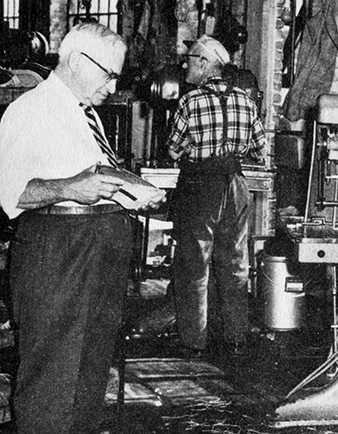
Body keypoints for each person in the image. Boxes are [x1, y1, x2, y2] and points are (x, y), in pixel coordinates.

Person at [0, 23, 162, 434]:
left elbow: (91, 174)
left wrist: (128, 186)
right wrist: (72, 188)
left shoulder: (83, 112)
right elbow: (10, 193)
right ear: (75, 60)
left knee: (89, 375)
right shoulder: (30, 110)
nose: (112, 85)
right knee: (54, 377)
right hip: (59, 252)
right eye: (108, 74)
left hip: (96, 249)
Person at [167, 35, 267, 358]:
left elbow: (172, 149)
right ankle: (236, 337)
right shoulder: (246, 102)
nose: (187, 65)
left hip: (201, 183)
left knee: (194, 265)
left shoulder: (190, 102)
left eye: (192, 60)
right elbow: (259, 148)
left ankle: (194, 343)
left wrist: (189, 149)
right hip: (235, 184)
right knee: (236, 263)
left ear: (206, 64)